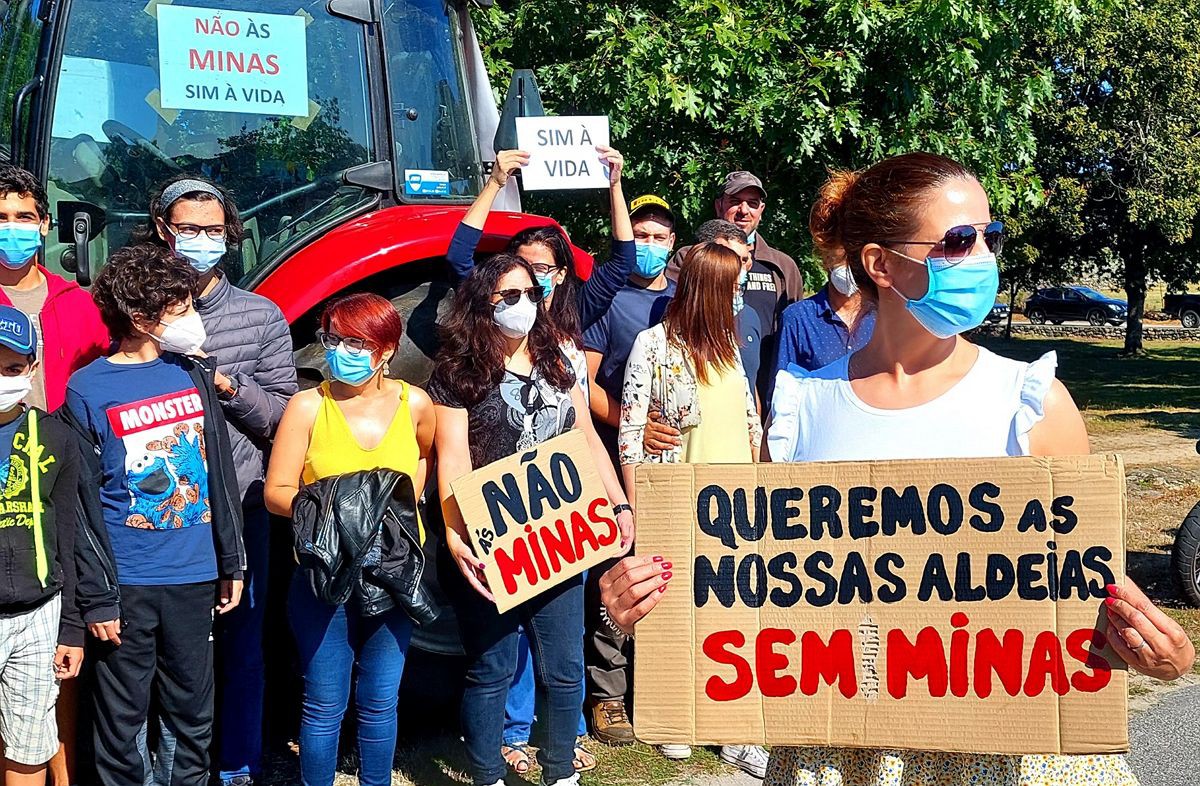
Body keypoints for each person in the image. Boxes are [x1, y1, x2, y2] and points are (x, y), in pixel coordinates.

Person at [597, 152, 1197, 786]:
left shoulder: (1034, 403)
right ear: (882, 264)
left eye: (990, 238)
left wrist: (1156, 651)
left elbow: (1081, 610)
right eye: (960, 242)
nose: (984, 259)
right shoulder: (803, 409)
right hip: (843, 755)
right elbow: (755, 594)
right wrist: (641, 606)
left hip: (1006, 753)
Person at [429, 254, 634, 786]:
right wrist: (455, 535)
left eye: (530, 292)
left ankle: (560, 772)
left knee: (564, 670)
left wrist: (618, 504)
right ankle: (488, 774)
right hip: (491, 541)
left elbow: (586, 438)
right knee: (492, 668)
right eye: (508, 296)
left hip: (562, 540)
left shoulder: (559, 360)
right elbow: (452, 459)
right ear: (482, 304)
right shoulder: (456, 372)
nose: (524, 304)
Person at [137, 175, 298, 786]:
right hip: (159, 514)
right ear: (163, 230)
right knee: (158, 648)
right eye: (188, 229)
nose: (201, 241)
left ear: (229, 235)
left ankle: (236, 763)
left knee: (240, 643)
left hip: (238, 507)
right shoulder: (139, 316)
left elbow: (285, 415)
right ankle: (163, 765)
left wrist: (231, 388)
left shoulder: (259, 317)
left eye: (212, 230)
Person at [64, 244, 245, 786]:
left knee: (192, 713)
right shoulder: (86, 389)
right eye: (180, 307)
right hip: (128, 582)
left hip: (194, 575)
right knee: (123, 719)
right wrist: (98, 596)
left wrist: (230, 560)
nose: (193, 318)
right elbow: (83, 503)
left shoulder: (192, 372)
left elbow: (218, 474)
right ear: (141, 319)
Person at [263, 292, 434, 786]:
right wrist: (339, 511)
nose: (341, 351)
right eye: (333, 339)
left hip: (394, 574)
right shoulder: (307, 407)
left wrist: (398, 508)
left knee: (381, 701)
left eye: (355, 342)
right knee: (323, 703)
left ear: (386, 351)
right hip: (326, 576)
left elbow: (423, 457)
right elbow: (277, 491)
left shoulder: (415, 403)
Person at [616, 242, 767, 777]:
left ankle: (736, 731)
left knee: (736, 617)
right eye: (733, 286)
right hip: (679, 502)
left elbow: (750, 422)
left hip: (738, 508)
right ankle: (677, 718)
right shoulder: (652, 346)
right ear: (709, 290)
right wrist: (640, 510)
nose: (741, 296)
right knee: (678, 613)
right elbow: (631, 434)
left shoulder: (732, 345)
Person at [0, 165, 108, 786]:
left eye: (23, 218)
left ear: (44, 224)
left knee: (51, 650)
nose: (13, 230)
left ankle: (61, 770)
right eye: (1, 218)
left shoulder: (74, 301)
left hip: (57, 469)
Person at [580, 194, 676, 745]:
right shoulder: (609, 300)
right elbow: (586, 386)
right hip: (617, 454)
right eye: (641, 235)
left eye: (661, 237)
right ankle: (608, 696)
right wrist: (632, 426)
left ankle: (661, 685)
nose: (650, 246)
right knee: (619, 567)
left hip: (674, 459)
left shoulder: (683, 298)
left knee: (667, 568)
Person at [0, 306, 86, 786]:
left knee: (30, 742)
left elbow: (69, 537)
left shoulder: (55, 436)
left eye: (13, 368)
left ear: (32, 369)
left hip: (38, 614)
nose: (3, 377)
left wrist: (71, 626)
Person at [445, 146, 634, 334]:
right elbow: (459, 256)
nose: (530, 274)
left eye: (541, 268)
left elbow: (623, 262)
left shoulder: (575, 313)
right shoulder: (492, 308)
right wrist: (494, 183)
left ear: (561, 274)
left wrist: (615, 185)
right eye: (522, 264)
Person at [668, 171, 804, 406]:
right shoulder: (687, 258)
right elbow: (671, 318)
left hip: (761, 392)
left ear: (761, 209)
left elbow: (792, 336)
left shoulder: (782, 267)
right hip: (698, 386)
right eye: (735, 202)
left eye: (752, 203)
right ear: (719, 205)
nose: (744, 211)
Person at [641, 220, 761, 459]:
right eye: (729, 260)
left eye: (744, 261)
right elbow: (632, 429)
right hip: (686, 480)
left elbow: (749, 402)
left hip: (738, 485)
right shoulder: (655, 340)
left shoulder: (737, 331)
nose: (740, 271)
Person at [774, 175, 876, 372]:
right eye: (842, 256)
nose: (850, 266)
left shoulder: (885, 317)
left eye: (856, 257)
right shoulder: (798, 319)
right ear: (824, 257)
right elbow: (782, 394)